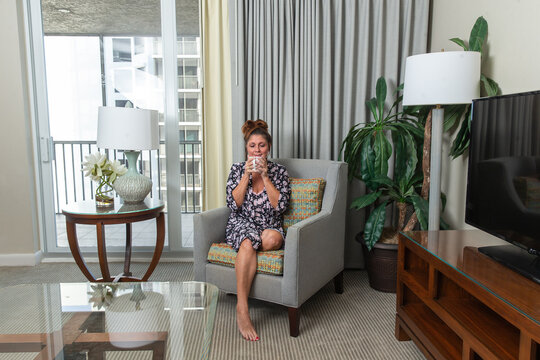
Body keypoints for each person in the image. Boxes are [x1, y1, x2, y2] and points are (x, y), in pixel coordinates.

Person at [225, 119, 291, 341]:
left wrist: (264, 176)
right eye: (252, 145)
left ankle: (248, 250)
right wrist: (246, 176)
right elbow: (233, 205)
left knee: (273, 239)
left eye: (261, 145)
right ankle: (242, 309)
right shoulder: (236, 169)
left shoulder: (279, 172)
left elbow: (280, 206)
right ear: (246, 147)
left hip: (268, 225)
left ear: (268, 147)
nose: (257, 150)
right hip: (241, 223)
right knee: (247, 241)